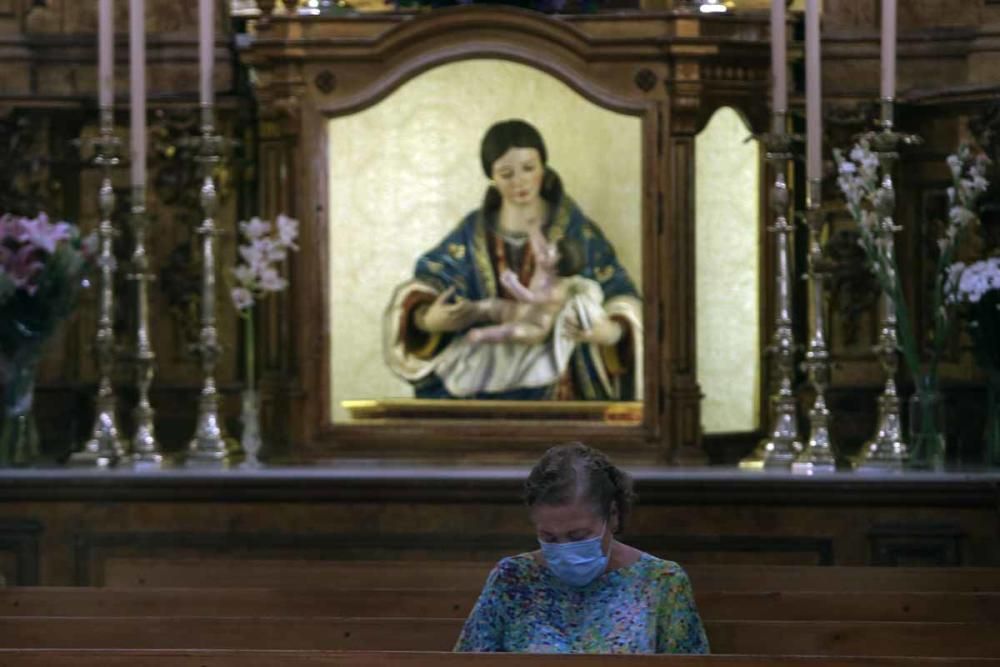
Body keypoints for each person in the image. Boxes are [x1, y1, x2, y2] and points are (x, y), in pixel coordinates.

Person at [384, 119, 643, 400]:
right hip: (484, 391)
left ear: (543, 167)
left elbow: (618, 291)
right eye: (506, 173)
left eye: (529, 168)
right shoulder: (471, 234)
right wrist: (427, 320)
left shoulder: (577, 231)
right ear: (492, 176)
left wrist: (611, 332)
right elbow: (432, 281)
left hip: (561, 391)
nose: (519, 181)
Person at [454, 442, 710, 654]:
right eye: (549, 537)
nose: (564, 549)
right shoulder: (512, 579)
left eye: (578, 536)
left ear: (612, 516)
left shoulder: (661, 582)